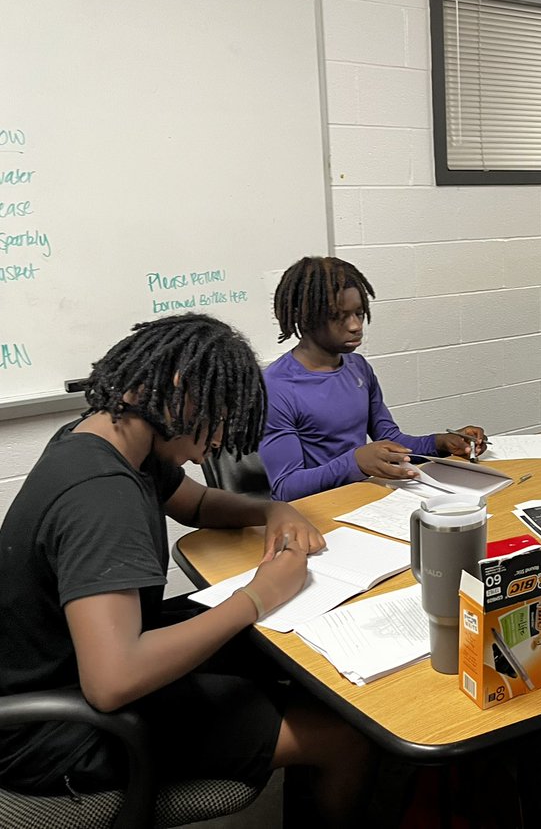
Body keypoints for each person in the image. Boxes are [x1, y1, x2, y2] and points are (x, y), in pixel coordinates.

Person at [0, 314, 373, 826]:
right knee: (342, 737)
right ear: (180, 393)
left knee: (279, 657)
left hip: (66, 670)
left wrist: (271, 510)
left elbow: (195, 504)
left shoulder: (104, 436)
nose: (211, 450)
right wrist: (258, 596)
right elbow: (112, 681)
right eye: (216, 426)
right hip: (57, 732)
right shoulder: (104, 497)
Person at [261, 256, 488, 500]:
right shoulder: (275, 387)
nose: (356, 326)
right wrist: (356, 463)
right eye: (340, 316)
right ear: (304, 317)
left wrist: (442, 443)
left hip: (361, 499)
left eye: (359, 313)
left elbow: (392, 440)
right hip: (313, 512)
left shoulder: (358, 367)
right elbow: (285, 487)